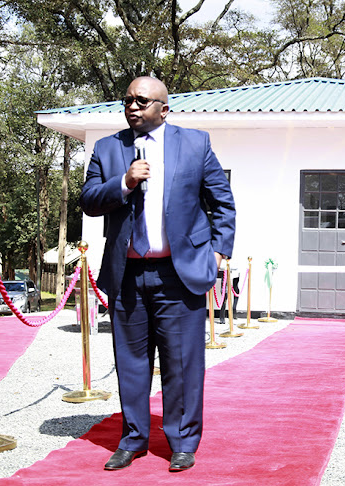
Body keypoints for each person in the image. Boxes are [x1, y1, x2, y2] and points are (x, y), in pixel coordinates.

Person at [80, 76, 235, 472]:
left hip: (178, 274)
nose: (133, 106)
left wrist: (218, 253)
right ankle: (132, 439)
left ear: (163, 109)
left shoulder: (195, 144)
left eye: (142, 101)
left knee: (182, 363)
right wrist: (125, 181)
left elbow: (222, 202)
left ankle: (182, 441)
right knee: (130, 362)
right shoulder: (107, 148)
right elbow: (89, 202)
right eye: (127, 100)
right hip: (127, 274)